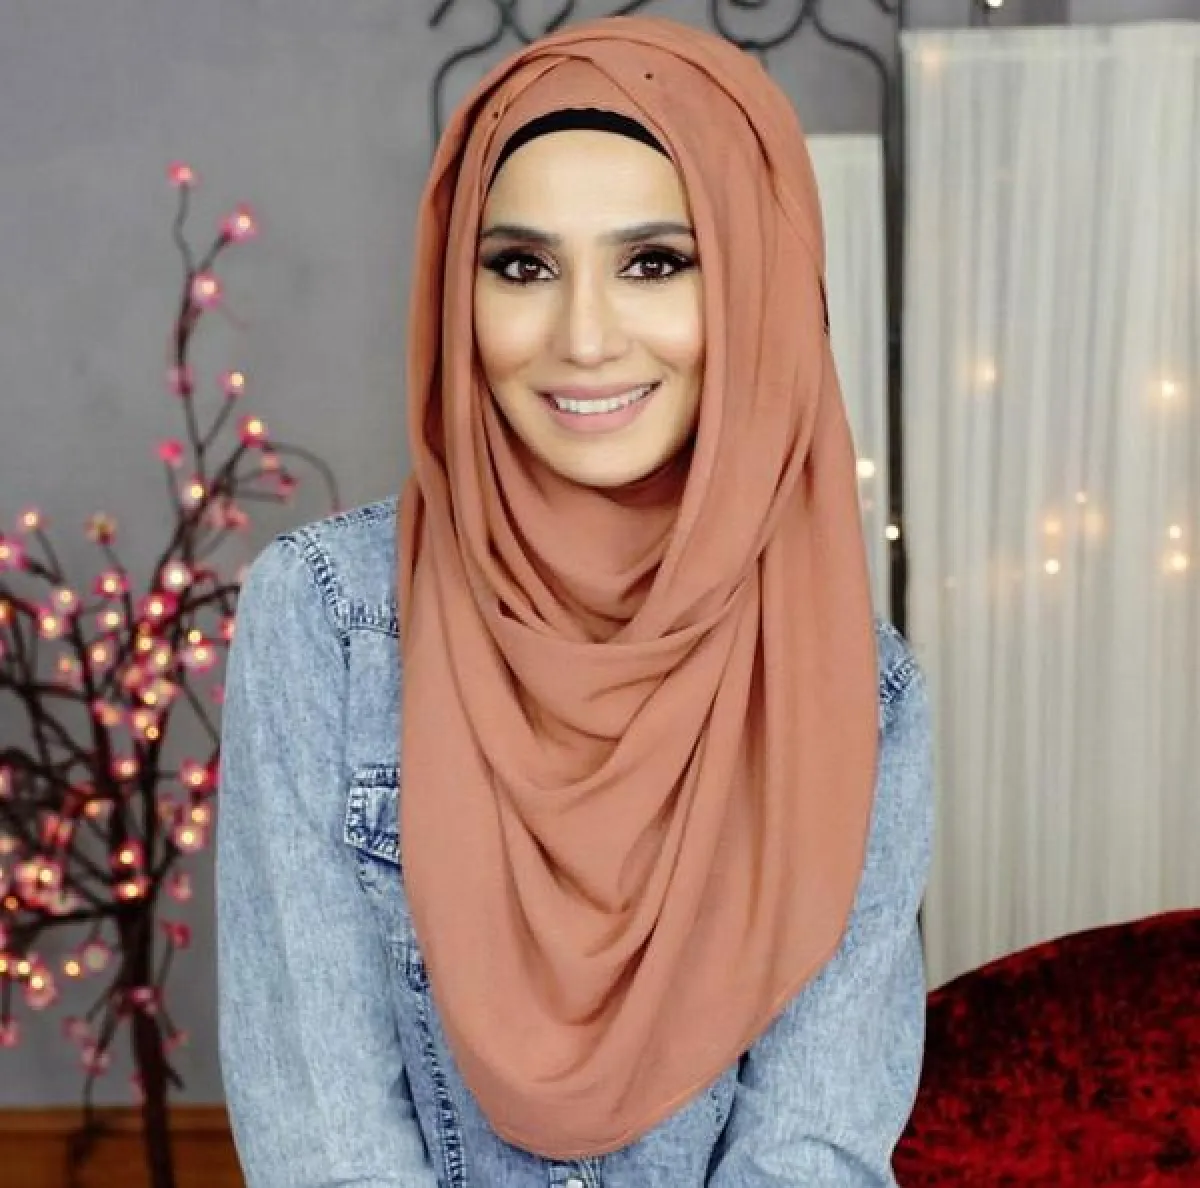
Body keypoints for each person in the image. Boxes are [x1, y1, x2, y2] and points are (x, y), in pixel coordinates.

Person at [216, 14, 934, 1187]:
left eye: (654, 262)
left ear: (752, 285)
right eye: (522, 266)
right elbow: (326, 1145)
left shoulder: (863, 688)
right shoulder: (326, 622)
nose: (585, 338)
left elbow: (812, 1153)